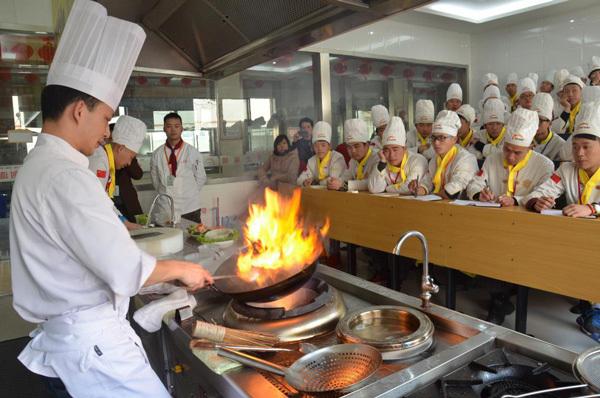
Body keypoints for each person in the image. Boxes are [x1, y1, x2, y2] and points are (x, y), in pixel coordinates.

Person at [8, 1, 213, 397]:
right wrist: (178, 269)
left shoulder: (42, 164)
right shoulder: (67, 174)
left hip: (72, 340)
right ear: (80, 111)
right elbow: (122, 268)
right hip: (92, 350)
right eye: (106, 119)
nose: (106, 134)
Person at [524, 101, 600, 342]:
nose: (579, 153)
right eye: (576, 146)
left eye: (586, 147)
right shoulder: (567, 170)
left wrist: (592, 208)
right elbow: (539, 191)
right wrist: (537, 202)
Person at [467, 108, 553, 208]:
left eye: (517, 153)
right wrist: (479, 194)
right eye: (507, 149)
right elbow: (476, 183)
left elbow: (543, 194)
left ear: (530, 147)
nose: (511, 157)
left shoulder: (544, 165)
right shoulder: (492, 159)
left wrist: (516, 200)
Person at [88, 115, 145, 228]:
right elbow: (98, 201)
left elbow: (104, 199)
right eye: (131, 157)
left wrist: (125, 222)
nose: (129, 163)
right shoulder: (99, 161)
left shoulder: (106, 159)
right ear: (121, 149)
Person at [150, 112, 207, 224]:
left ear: (182, 129)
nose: (173, 130)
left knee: (192, 238)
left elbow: (201, 177)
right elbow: (155, 181)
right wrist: (169, 190)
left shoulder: (192, 152)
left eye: (177, 126)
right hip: (165, 207)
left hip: (189, 206)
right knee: (169, 239)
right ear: (164, 129)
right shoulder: (157, 154)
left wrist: (189, 193)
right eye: (169, 126)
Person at [368, 116, 431, 195]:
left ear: (404, 149)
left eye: (395, 149)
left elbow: (408, 189)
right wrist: (382, 164)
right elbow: (374, 189)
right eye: (387, 150)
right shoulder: (383, 162)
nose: (391, 155)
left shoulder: (417, 160)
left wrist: (387, 188)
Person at [426, 110, 478, 199]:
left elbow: (454, 190)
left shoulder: (466, 159)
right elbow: (427, 180)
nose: (436, 143)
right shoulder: (435, 159)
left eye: (442, 138)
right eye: (434, 138)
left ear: (454, 139)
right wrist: (420, 187)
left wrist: (432, 196)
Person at [328, 118, 378, 191]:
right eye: (349, 147)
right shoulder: (353, 161)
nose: (353, 151)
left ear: (367, 145)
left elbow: (372, 184)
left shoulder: (376, 158)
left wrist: (345, 185)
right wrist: (333, 181)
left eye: (356, 146)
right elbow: (345, 177)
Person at [297, 121, 346, 186]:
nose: (319, 149)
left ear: (329, 146)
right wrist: (304, 182)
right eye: (316, 146)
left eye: (323, 145)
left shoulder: (337, 158)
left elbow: (332, 180)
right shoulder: (311, 160)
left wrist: (315, 182)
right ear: (312, 147)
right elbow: (300, 179)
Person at [531, 92, 566, 162]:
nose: (535, 124)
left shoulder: (559, 145)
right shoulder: (525, 138)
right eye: (532, 119)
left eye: (540, 120)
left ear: (549, 122)